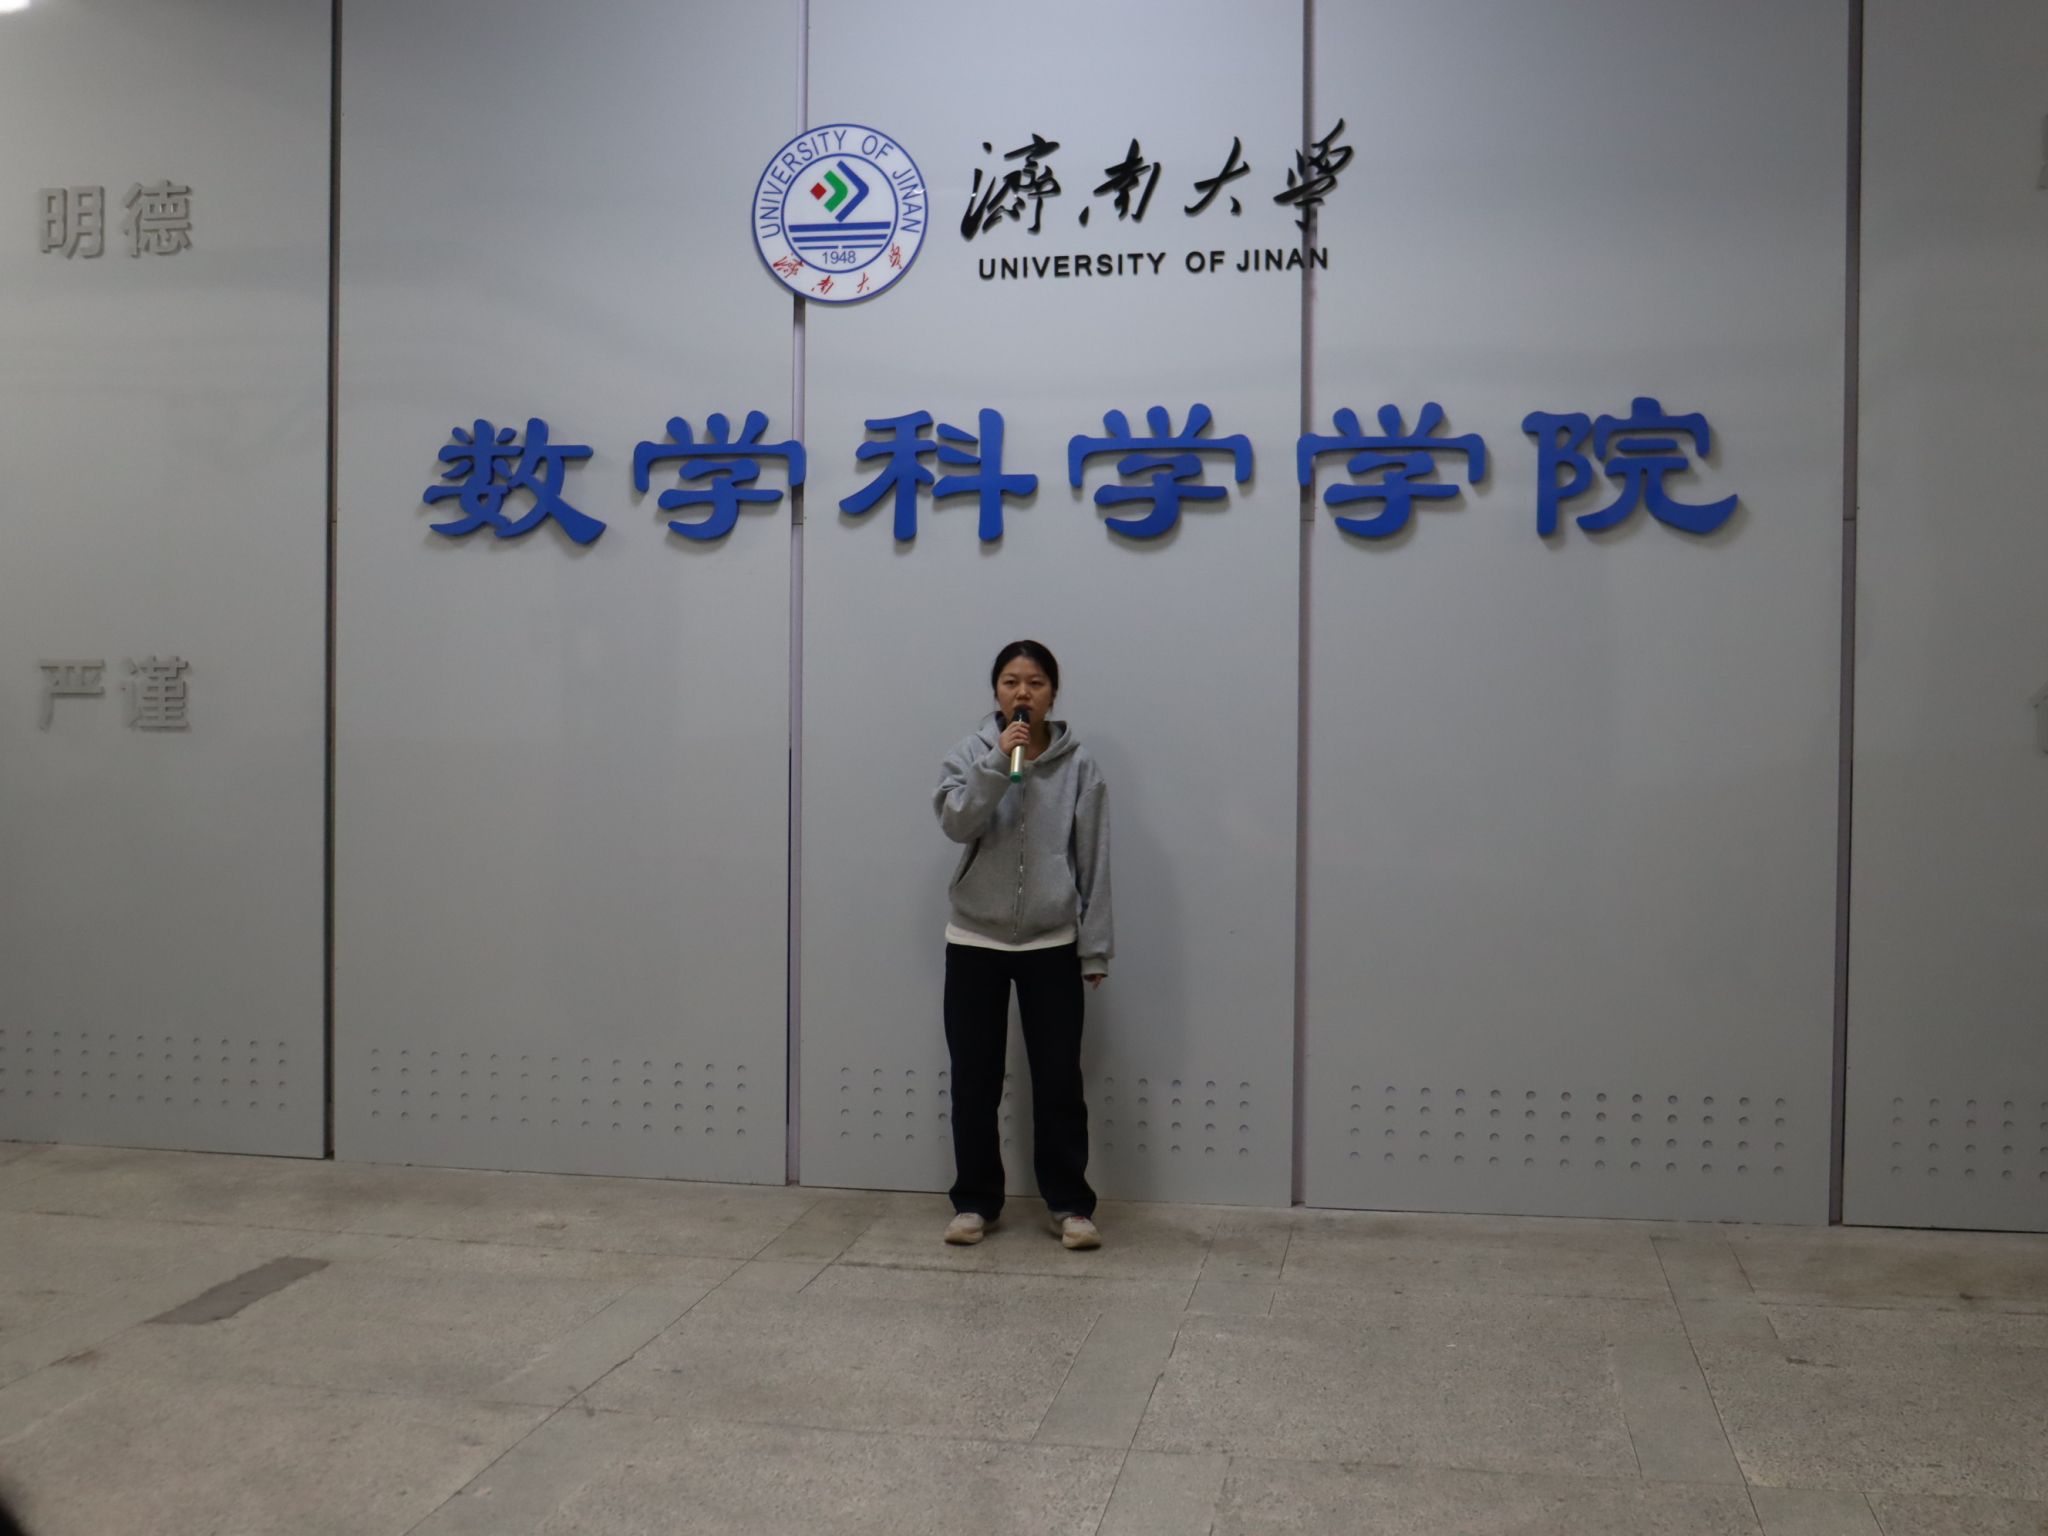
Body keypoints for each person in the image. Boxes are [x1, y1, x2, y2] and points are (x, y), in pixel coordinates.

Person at [933, 640, 1111, 1250]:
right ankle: (974, 1203)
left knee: (1059, 1080)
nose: (1022, 693)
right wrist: (995, 765)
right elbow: (956, 822)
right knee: (974, 1080)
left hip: (1051, 941)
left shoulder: (1079, 766)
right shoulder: (970, 753)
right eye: (1011, 681)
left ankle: (1070, 1205)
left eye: (1035, 682)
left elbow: (1094, 859)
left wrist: (1095, 948)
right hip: (974, 937)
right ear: (996, 691)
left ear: (1052, 693)